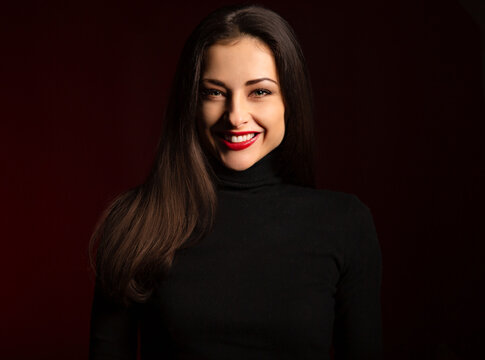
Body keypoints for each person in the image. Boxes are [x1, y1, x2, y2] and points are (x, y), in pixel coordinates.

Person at [88, 3, 383, 360]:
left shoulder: (345, 224)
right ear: (191, 103)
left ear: (290, 100)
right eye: (214, 92)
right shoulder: (135, 222)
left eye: (259, 91)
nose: (236, 116)